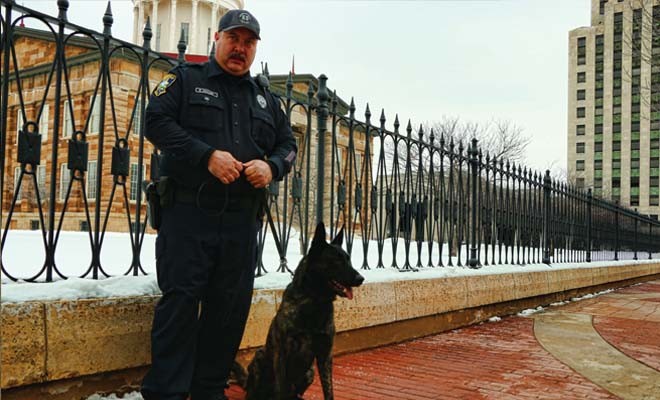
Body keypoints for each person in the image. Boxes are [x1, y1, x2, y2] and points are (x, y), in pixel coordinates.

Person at [140, 9, 297, 400]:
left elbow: (289, 146)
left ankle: (208, 390)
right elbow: (155, 122)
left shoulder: (265, 98)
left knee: (228, 311)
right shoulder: (185, 80)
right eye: (233, 39)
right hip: (190, 213)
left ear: (255, 48)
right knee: (179, 306)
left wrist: (272, 166)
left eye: (248, 42)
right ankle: (167, 393)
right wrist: (206, 155)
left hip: (242, 220)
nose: (240, 48)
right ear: (216, 38)